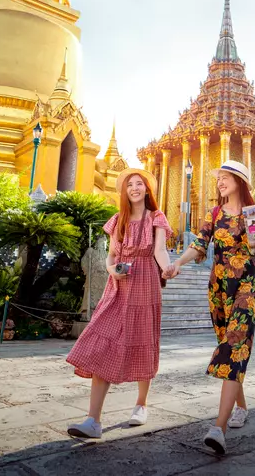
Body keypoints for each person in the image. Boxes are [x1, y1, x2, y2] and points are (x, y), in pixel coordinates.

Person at [168, 160, 255, 455]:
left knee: (235, 344)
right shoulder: (214, 214)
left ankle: (219, 427)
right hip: (218, 288)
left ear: (240, 182)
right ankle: (241, 406)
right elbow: (200, 244)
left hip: (245, 287)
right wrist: (177, 262)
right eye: (219, 178)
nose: (221, 182)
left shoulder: (253, 215)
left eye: (226, 178)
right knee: (228, 345)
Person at [65, 169, 174, 438]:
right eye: (130, 185)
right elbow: (111, 255)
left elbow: (159, 250)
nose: (135, 188)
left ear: (148, 189)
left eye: (140, 184)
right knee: (103, 341)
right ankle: (93, 420)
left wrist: (168, 268)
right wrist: (112, 270)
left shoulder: (156, 218)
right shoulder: (118, 221)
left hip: (146, 283)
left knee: (142, 340)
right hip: (118, 287)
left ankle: (141, 404)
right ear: (124, 191)